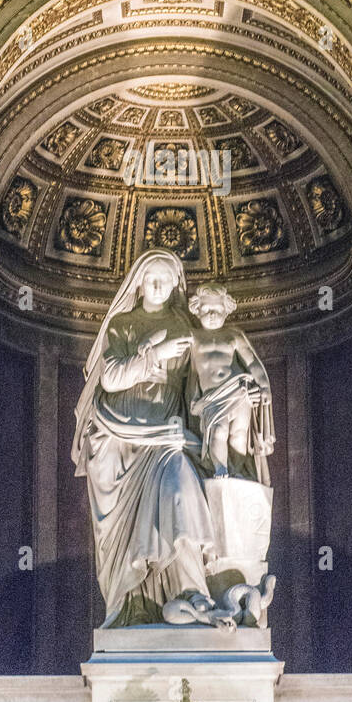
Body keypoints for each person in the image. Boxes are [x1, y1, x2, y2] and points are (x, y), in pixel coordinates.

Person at [72, 249, 218, 627]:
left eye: (166, 279)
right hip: (118, 434)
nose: (158, 284)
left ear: (175, 286)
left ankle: (193, 593)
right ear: (138, 282)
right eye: (152, 277)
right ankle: (131, 606)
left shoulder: (186, 325)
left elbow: (199, 384)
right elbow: (111, 378)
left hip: (166, 435)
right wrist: (155, 354)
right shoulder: (122, 324)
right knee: (119, 528)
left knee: (182, 488)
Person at [187, 282, 274, 484]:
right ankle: (220, 468)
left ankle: (236, 470)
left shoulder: (233, 335)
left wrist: (264, 386)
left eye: (217, 310)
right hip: (213, 397)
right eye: (207, 309)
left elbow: (252, 361)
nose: (212, 314)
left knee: (239, 433)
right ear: (197, 310)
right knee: (218, 431)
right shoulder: (193, 336)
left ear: (226, 310)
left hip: (238, 391)